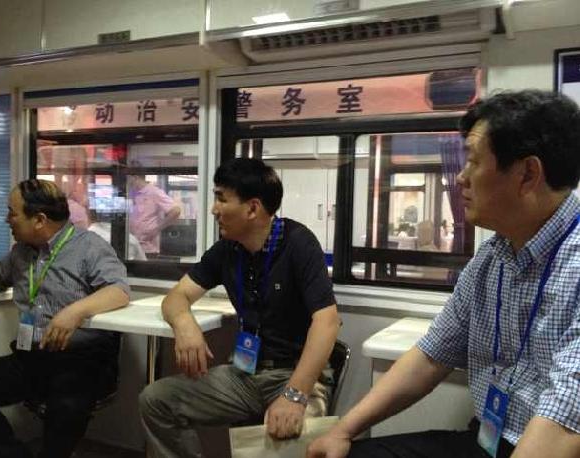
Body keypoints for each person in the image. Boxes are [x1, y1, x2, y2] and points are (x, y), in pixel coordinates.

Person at [307, 90, 580, 458]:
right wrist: (342, 431)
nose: (461, 178)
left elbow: (565, 417)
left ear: (527, 174)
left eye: (474, 161)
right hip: (487, 439)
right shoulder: (492, 257)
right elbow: (431, 355)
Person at [139, 158, 340, 457]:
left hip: (294, 376)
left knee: (292, 442)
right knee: (156, 400)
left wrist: (295, 395)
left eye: (221, 199)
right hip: (244, 375)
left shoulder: (299, 243)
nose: (213, 209)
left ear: (252, 208)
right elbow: (176, 297)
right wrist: (185, 325)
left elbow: (327, 321)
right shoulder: (227, 250)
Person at [0, 179, 130, 458]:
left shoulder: (89, 246)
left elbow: (119, 291)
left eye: (12, 213)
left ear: (39, 220)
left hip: (82, 361)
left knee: (65, 410)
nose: (7, 220)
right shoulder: (21, 251)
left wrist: (74, 312)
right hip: (32, 356)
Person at [128, 173, 181, 257]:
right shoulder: (131, 193)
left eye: (127, 178)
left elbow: (175, 211)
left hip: (147, 248)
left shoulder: (154, 192)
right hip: (130, 246)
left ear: (135, 177)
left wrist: (156, 229)